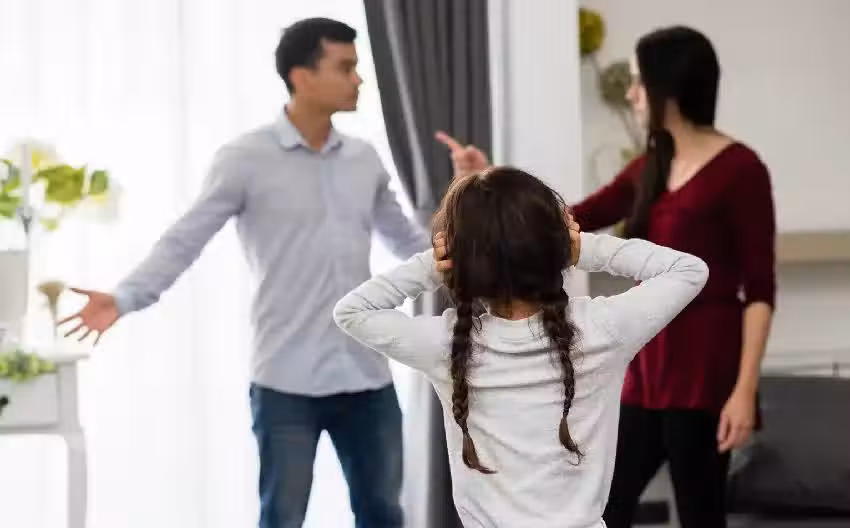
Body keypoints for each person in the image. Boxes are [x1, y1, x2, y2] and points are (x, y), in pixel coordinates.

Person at [59, 17, 429, 528]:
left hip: (366, 376)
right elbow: (186, 238)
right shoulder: (245, 159)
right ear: (301, 76)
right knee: (281, 517)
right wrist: (125, 296)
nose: (358, 79)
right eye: (345, 68)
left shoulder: (364, 160)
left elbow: (411, 246)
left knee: (384, 514)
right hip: (285, 380)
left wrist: (470, 205)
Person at [436, 26, 776, 528]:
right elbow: (568, 219)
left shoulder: (741, 169)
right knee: (605, 504)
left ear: (668, 86)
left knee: (700, 513)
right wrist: (490, 185)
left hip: (705, 372)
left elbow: (761, 290)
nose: (632, 94)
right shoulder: (650, 166)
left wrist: (744, 389)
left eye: (639, 82)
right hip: (646, 368)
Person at [333, 166, 709, 527]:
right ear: (554, 248)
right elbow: (690, 270)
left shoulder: (446, 345)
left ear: (465, 264)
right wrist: (583, 248)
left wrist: (434, 265)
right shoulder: (602, 329)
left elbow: (351, 311)